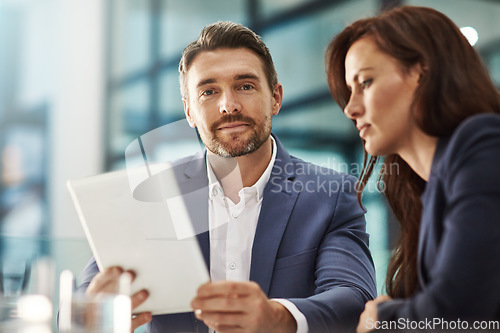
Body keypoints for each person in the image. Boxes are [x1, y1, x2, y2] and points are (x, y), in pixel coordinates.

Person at [78, 21, 376, 333]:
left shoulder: (331, 194)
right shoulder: (152, 194)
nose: (228, 106)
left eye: (245, 86)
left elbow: (354, 299)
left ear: (275, 98)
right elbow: (80, 302)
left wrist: (278, 317)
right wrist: (95, 311)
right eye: (209, 91)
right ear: (190, 111)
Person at [326, 5, 500, 332]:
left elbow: (457, 313)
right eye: (350, 91)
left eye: (365, 82)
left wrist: (382, 318)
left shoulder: (483, 143)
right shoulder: (426, 187)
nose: (351, 108)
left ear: (421, 71)